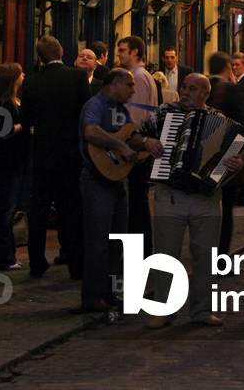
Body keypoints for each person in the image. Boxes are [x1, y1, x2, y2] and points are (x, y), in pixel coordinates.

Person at [138, 72, 244, 328]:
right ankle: (164, 309)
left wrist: (236, 165)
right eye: (184, 87)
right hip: (170, 195)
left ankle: (202, 310)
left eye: (192, 88)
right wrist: (146, 141)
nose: (185, 92)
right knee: (165, 254)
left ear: (204, 94)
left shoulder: (220, 122)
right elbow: (136, 135)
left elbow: (233, 160)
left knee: (205, 256)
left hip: (206, 198)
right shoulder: (164, 113)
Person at [78, 68, 163, 311]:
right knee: (97, 240)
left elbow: (131, 134)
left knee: (117, 240)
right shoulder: (94, 105)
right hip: (96, 179)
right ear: (114, 84)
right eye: (129, 85)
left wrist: (146, 143)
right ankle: (93, 297)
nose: (133, 90)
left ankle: (112, 293)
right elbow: (91, 131)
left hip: (117, 180)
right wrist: (119, 146)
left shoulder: (121, 110)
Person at [21, 35, 89, 279]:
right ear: (62, 51)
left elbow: (26, 118)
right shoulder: (78, 77)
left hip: (42, 154)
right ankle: (74, 263)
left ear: (40, 57)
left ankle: (37, 262)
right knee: (70, 208)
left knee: (38, 209)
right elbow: (85, 115)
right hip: (70, 155)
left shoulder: (31, 82)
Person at [207, 51, 244, 255]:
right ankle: (221, 256)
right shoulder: (231, 90)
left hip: (205, 156)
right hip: (226, 158)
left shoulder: (203, 87)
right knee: (225, 208)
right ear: (227, 67)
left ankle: (205, 250)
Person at [117, 36, 158, 254]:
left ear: (135, 52)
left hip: (136, 149)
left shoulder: (139, 78)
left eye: (123, 50)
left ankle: (141, 252)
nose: (119, 54)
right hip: (139, 147)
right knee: (137, 201)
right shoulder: (141, 76)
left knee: (136, 203)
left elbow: (137, 116)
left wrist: (130, 143)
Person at [0, 63, 28, 271]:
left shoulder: (14, 100)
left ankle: (7, 255)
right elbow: (4, 132)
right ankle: (3, 257)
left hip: (14, 160)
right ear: (12, 79)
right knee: (6, 209)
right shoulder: (3, 103)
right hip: (7, 161)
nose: (24, 75)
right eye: (20, 73)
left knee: (9, 209)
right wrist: (25, 125)